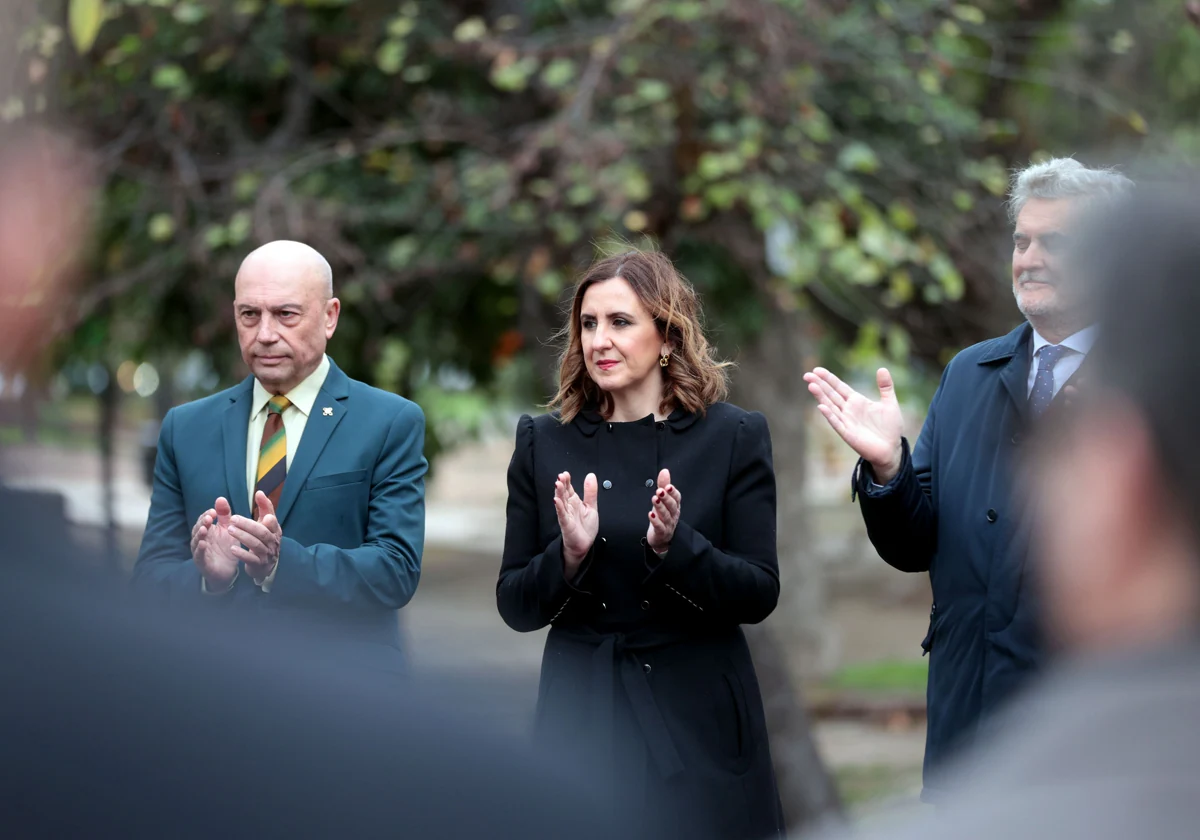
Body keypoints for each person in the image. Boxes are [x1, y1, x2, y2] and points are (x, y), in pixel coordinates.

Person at [805, 182, 1200, 840]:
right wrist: (888, 468)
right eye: (1022, 240)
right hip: (967, 730)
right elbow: (914, 542)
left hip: (1089, 744)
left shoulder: (1149, 382)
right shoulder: (970, 373)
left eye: (1055, 241)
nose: (1030, 257)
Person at [497, 248, 785, 840]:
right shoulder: (541, 442)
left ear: (668, 336)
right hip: (582, 718)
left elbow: (758, 591)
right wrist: (568, 556)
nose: (599, 340)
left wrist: (675, 548)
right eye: (588, 323)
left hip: (698, 717)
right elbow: (515, 604)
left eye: (620, 322)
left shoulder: (732, 436)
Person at [132, 241, 426, 660]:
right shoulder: (186, 428)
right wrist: (210, 580)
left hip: (343, 697)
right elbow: (149, 580)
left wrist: (279, 565)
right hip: (210, 693)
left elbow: (395, 572)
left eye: (286, 314)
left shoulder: (388, 422)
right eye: (249, 315)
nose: (265, 334)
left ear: (330, 317)